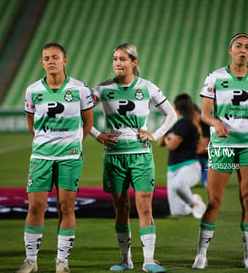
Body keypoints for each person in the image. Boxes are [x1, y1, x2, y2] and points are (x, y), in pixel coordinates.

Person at [89, 43, 177, 273]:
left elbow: (172, 114)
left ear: (134, 62)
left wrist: (154, 135)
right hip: (114, 157)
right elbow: (78, 112)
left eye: (122, 59)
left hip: (141, 157)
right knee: (121, 209)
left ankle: (149, 260)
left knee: (145, 208)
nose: (117, 63)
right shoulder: (102, 89)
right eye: (115, 59)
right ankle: (125, 260)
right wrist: (97, 135)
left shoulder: (147, 88)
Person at [191, 33, 248, 270]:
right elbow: (204, 113)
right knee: (214, 200)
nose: (243, 50)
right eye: (239, 46)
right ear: (230, 50)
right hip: (223, 146)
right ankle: (201, 254)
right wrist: (215, 123)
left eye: (247, 46)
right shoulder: (215, 77)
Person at [16, 43, 94, 273]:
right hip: (41, 156)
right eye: (47, 58)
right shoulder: (32, 90)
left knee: (66, 207)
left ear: (64, 61)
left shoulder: (80, 89)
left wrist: (74, 142)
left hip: (70, 156)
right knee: (35, 206)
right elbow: (32, 123)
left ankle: (62, 261)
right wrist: (46, 141)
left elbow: (87, 121)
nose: (51, 61)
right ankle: (31, 260)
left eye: (55, 57)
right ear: (42, 63)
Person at [157, 93, 206, 218]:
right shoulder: (176, 123)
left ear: (175, 107)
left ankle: (195, 205)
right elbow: (160, 143)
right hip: (172, 169)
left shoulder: (185, 122)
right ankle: (194, 198)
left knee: (178, 185)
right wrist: (166, 127)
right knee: (178, 212)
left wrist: (168, 136)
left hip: (189, 166)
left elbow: (172, 145)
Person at [194, 103, 210, 188]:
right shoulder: (192, 124)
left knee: (207, 185)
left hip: (207, 158)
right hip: (198, 157)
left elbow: (205, 147)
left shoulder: (204, 124)